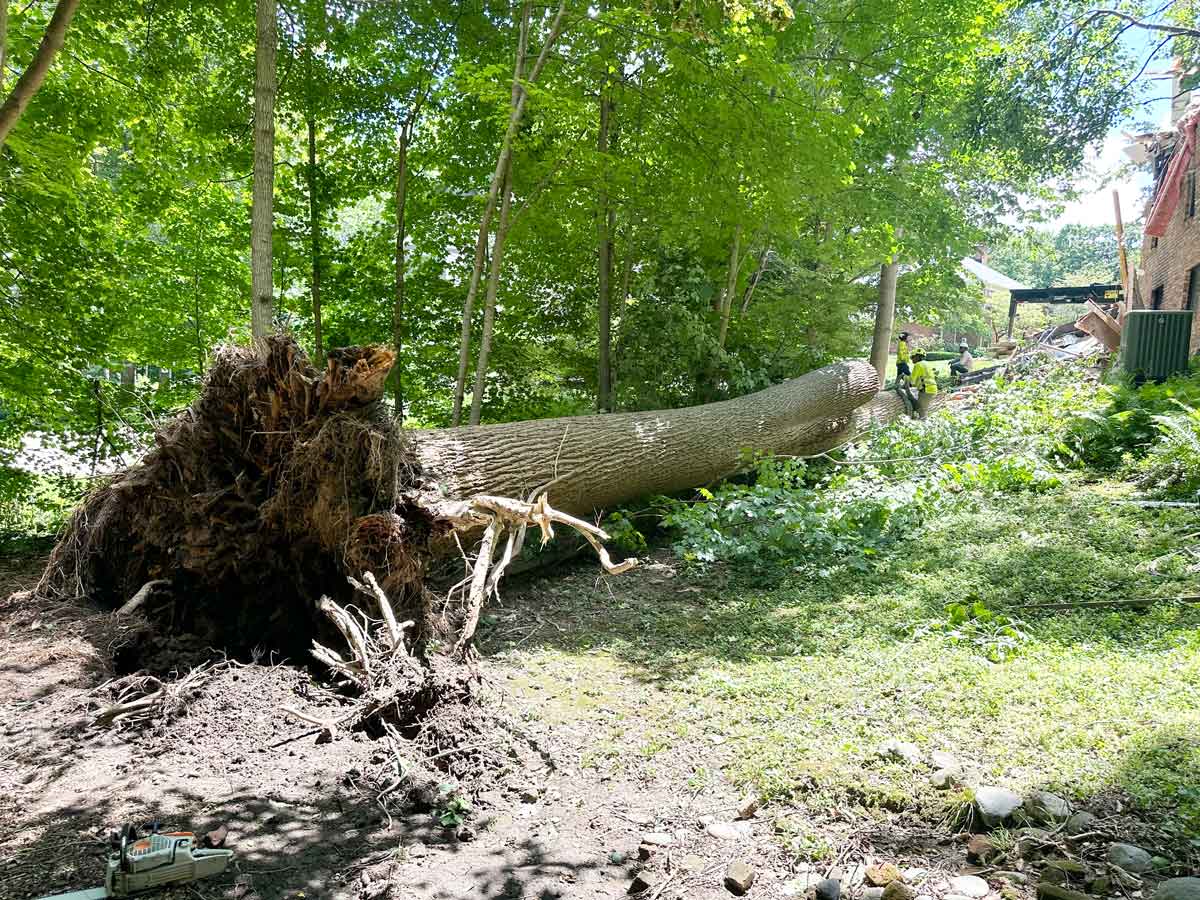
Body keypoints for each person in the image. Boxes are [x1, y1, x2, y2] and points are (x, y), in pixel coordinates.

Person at [910, 349, 938, 419]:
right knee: (922, 408)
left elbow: (912, 381)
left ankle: (923, 424)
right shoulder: (927, 364)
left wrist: (905, 381)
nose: (912, 359)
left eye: (913, 357)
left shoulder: (918, 365)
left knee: (921, 410)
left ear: (918, 357)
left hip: (926, 390)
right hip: (932, 388)